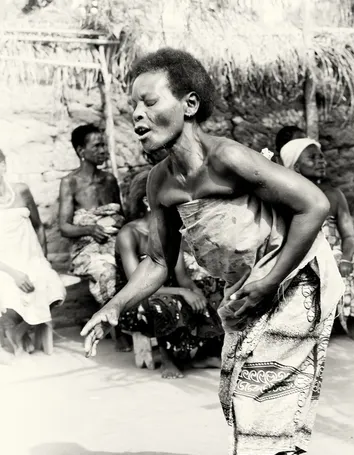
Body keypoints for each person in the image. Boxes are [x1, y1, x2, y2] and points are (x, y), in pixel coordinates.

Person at [81, 48, 343, 455]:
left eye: (149, 102)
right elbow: (158, 260)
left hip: (296, 279)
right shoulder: (160, 183)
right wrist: (111, 306)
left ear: (190, 104)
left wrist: (270, 281)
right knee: (238, 398)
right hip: (250, 287)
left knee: (258, 391)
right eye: (131, 106)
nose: (136, 115)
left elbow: (314, 205)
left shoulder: (231, 158)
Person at [281, 137, 354, 343]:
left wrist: (345, 258)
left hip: (336, 256)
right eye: (313, 158)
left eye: (321, 156)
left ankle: (353, 322)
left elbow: (349, 236)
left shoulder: (335, 195)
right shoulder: (288, 196)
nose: (321, 161)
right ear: (297, 166)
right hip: (305, 258)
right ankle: (323, 323)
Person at [115, 208, 224, 378]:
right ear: (147, 201)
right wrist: (183, 292)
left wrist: (195, 290)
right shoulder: (128, 233)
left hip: (172, 293)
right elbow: (136, 286)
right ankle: (168, 359)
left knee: (215, 287)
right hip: (136, 301)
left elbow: (183, 277)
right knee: (165, 301)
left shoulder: (171, 231)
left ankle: (206, 354)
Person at [0, 149, 65, 358]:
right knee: (11, 295)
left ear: (3, 166)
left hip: (31, 259)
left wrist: (42, 259)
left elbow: (38, 226)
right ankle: (14, 333)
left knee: (54, 289)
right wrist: (15, 274)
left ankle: (20, 331)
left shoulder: (21, 191)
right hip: (5, 266)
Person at [59, 124, 124, 306]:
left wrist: (118, 221)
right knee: (108, 271)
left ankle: (137, 322)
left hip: (116, 246)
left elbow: (123, 217)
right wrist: (91, 228)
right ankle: (118, 317)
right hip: (88, 251)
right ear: (81, 150)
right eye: (97, 146)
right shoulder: (70, 183)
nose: (103, 150)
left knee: (141, 266)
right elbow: (64, 227)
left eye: (104, 145)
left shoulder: (109, 180)